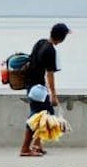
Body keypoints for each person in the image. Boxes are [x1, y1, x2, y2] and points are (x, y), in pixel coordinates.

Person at [19, 22, 69, 157]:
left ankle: (37, 144)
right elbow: (50, 74)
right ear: (62, 37)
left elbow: (30, 61)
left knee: (46, 114)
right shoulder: (50, 50)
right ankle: (25, 148)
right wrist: (53, 94)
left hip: (31, 85)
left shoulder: (40, 42)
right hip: (38, 88)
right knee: (36, 117)